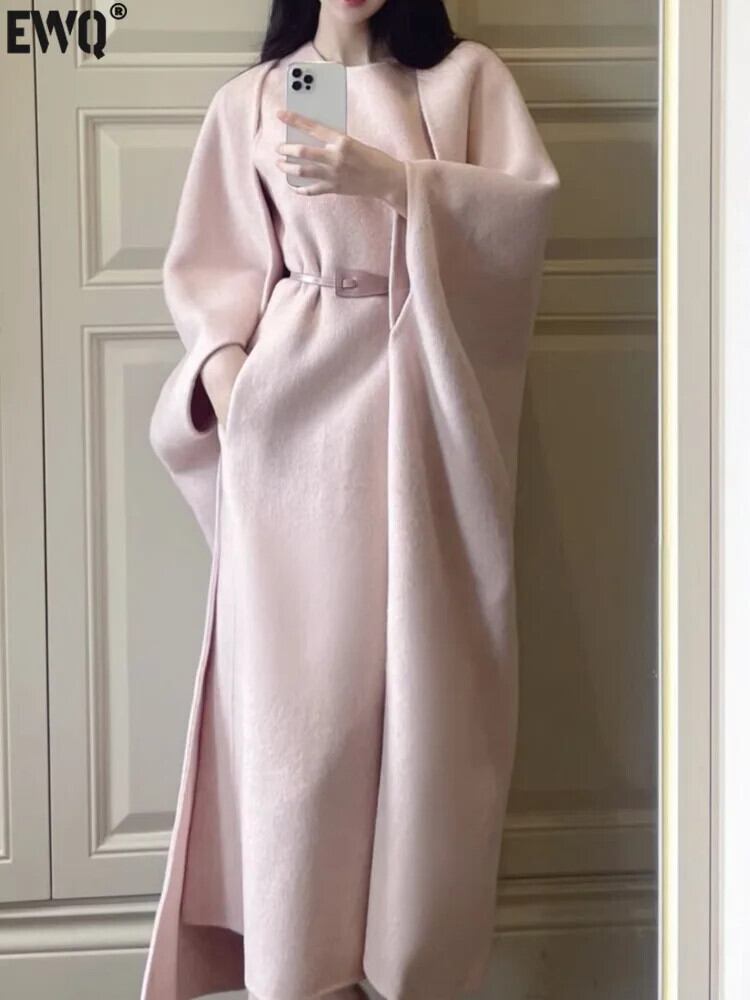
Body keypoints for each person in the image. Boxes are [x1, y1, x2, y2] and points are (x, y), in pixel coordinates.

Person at [141, 2, 560, 999]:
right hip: (294, 434)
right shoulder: (263, 96)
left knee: (424, 702)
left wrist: (392, 180)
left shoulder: (461, 81)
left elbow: (519, 225)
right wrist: (236, 387)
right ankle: (298, 964)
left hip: (423, 424)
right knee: (305, 723)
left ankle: (403, 965)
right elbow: (214, 269)